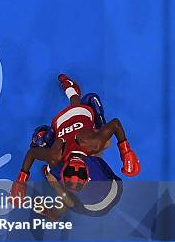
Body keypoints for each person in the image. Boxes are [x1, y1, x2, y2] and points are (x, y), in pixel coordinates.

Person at [10, 74, 141, 219]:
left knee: (52, 176)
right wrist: (126, 151)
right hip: (114, 190)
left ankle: (52, 213)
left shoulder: (55, 159)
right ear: (85, 169)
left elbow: (32, 153)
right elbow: (115, 124)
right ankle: (96, 122)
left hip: (92, 206)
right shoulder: (92, 143)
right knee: (91, 102)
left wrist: (21, 181)